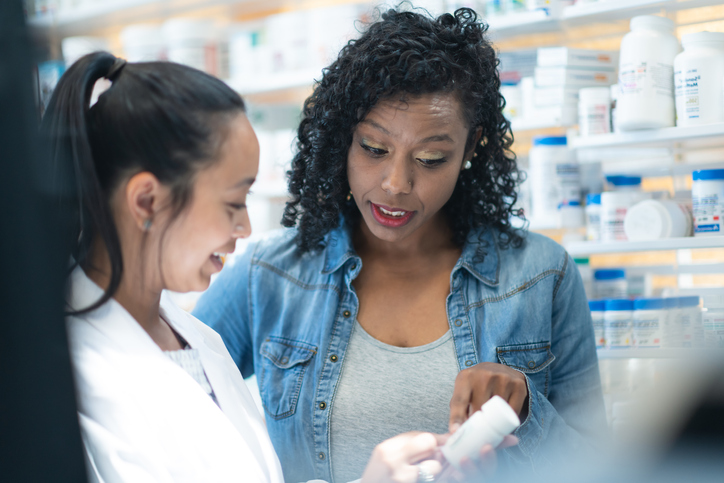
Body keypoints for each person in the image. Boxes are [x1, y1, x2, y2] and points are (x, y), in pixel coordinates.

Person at [193, 6, 607, 483]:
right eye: (373, 149)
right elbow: (167, 413)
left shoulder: (540, 274)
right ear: (343, 138)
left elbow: (598, 466)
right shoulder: (272, 273)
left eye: (431, 158)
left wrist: (527, 409)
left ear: (471, 148)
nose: (395, 184)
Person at [45, 51, 489, 483]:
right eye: (233, 202)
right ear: (147, 201)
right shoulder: (69, 381)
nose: (245, 227)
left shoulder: (198, 341)